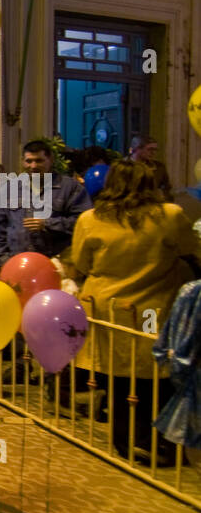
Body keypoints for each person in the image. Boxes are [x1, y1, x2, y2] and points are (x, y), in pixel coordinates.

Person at [70, 160, 201, 465]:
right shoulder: (171, 215)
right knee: (155, 376)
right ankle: (157, 442)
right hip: (152, 307)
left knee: (117, 378)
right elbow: (190, 250)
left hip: (108, 306)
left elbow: (82, 262)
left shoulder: (90, 219)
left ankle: (124, 441)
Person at [0, 139, 91, 271]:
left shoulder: (70, 188)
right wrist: (7, 264)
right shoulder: (8, 190)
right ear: (22, 161)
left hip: (56, 267)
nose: (33, 166)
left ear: (51, 160)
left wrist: (48, 224)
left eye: (39, 160)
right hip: (17, 267)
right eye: (29, 161)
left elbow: (84, 224)